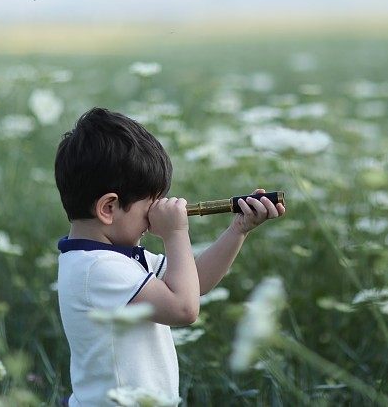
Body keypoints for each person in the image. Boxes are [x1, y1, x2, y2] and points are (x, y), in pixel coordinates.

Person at [54, 107, 286, 406]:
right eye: (148, 209)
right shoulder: (97, 269)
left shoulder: (112, 257)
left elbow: (194, 281)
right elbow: (183, 308)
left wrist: (237, 230)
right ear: (108, 208)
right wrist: (175, 234)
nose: (152, 220)